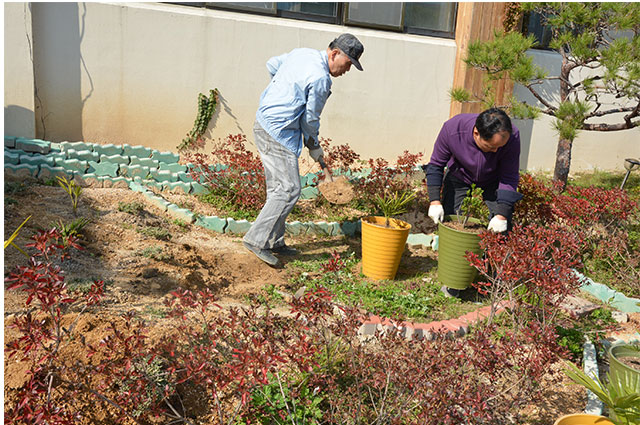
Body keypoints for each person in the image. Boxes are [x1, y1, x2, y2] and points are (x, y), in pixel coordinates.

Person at [243, 33, 365, 267]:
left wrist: (282, 92)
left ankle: (274, 240)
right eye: (348, 63)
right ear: (335, 53)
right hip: (278, 131)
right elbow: (310, 119)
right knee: (289, 189)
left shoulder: (302, 53)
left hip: (266, 122)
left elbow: (272, 65)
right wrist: (314, 145)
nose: (348, 70)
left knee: (278, 189)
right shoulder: (321, 79)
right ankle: (256, 240)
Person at [424, 107, 523, 233]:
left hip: (494, 179)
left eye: (500, 147)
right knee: (451, 220)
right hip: (460, 174)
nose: (496, 151)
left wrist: (502, 215)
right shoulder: (453, 129)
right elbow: (436, 165)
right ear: (476, 133)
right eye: (490, 146)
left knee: (501, 226)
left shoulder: (512, 136)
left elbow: (509, 176)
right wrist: (434, 201)